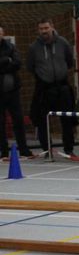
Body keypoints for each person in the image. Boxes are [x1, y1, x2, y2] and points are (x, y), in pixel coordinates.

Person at [27, 17, 79, 160]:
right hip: (44, 88)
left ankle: (69, 149)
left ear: (52, 27)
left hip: (62, 86)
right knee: (42, 120)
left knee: (67, 119)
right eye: (41, 29)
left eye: (46, 28)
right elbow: (30, 67)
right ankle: (47, 149)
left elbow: (69, 62)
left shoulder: (63, 43)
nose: (44, 31)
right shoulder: (33, 47)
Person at [0, 24, 35, 160]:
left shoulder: (11, 47)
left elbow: (17, 63)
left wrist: (6, 63)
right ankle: (3, 151)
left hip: (13, 91)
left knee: (18, 120)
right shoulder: (8, 52)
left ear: (3, 34)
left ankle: (24, 149)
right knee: (0, 123)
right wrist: (6, 60)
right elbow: (10, 62)